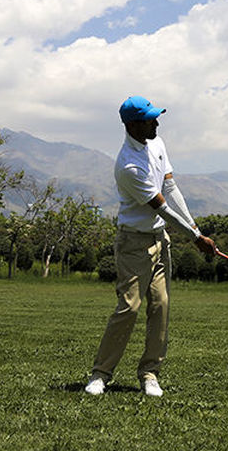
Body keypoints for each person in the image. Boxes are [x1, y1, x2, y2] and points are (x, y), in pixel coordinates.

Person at [84, 95, 216, 397]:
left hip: (159, 240)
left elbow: (170, 188)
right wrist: (196, 240)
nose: (157, 123)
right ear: (132, 125)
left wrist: (195, 228)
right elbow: (161, 208)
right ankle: (101, 374)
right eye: (150, 119)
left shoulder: (157, 144)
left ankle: (150, 373)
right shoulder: (127, 165)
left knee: (161, 305)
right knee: (129, 307)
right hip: (133, 243)